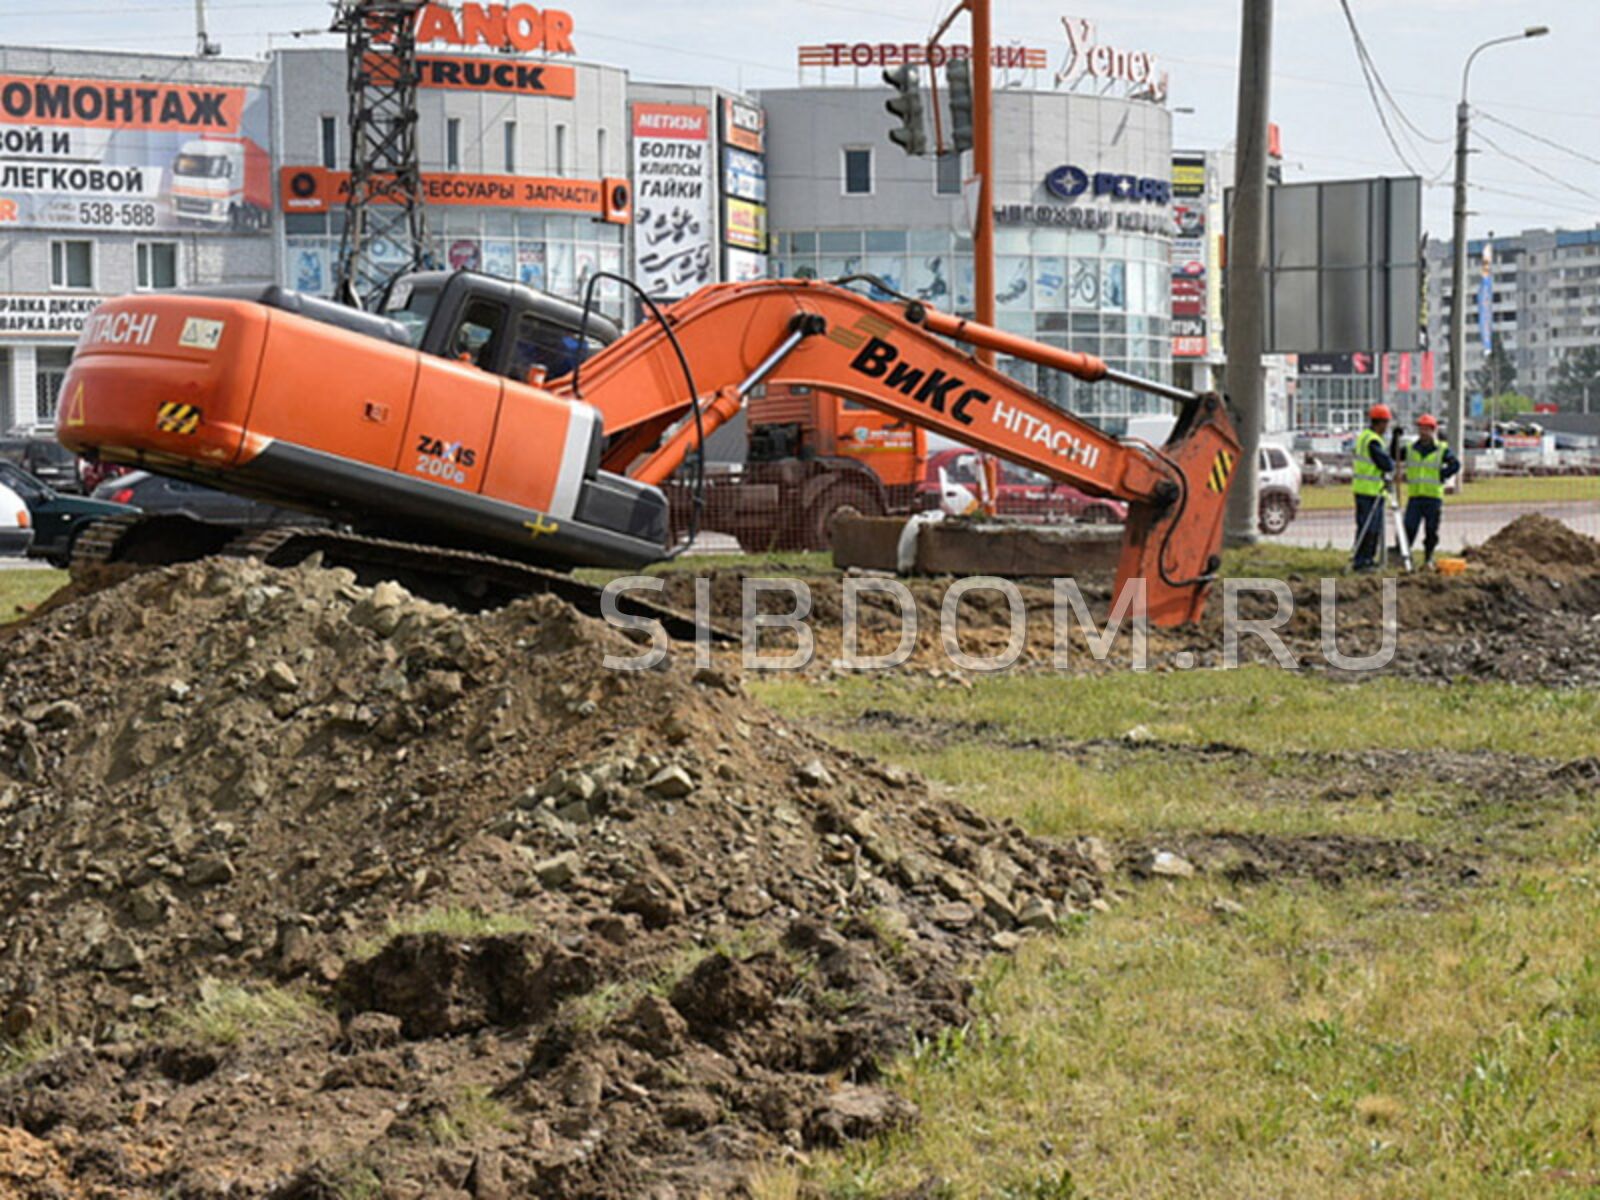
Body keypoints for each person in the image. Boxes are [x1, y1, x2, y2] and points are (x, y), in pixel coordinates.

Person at [1398, 412, 1461, 567]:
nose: (1423, 432)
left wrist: (1442, 475)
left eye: (1427, 429)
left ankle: (1428, 557)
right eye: (1421, 429)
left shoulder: (1441, 449)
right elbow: (1394, 455)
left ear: (1433, 430)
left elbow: (1455, 465)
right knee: (1409, 528)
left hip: (1433, 497)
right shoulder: (1411, 449)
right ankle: (1405, 557)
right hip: (1415, 496)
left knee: (1431, 530)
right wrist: (1395, 438)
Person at [1351, 403, 1395, 572]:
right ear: (1380, 423)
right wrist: (1390, 464)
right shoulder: (1373, 441)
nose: (1387, 427)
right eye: (1386, 423)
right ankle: (1363, 561)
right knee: (1369, 528)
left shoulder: (1365, 437)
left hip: (1365, 489)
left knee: (1366, 527)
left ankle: (1366, 559)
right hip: (1370, 491)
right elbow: (1385, 463)